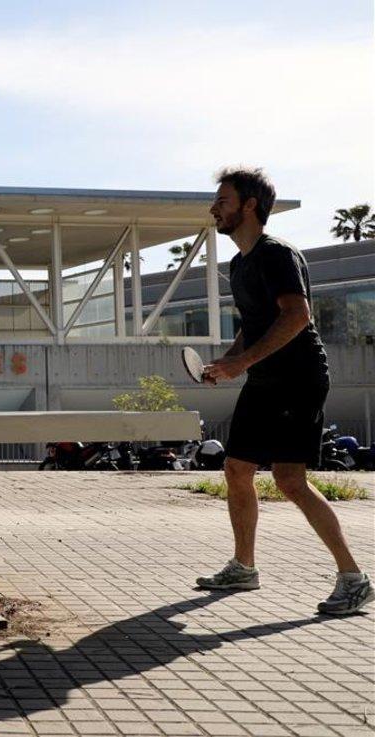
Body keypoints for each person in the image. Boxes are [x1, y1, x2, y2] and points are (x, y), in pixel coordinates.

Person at [197, 167, 371, 616]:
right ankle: (244, 566)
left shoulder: (276, 254)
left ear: (249, 205)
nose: (215, 208)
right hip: (264, 378)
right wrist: (228, 361)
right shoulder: (238, 264)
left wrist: (241, 362)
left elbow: (297, 316)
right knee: (237, 469)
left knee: (290, 480)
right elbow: (255, 325)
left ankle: (354, 579)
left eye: (223, 200)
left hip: (298, 378)